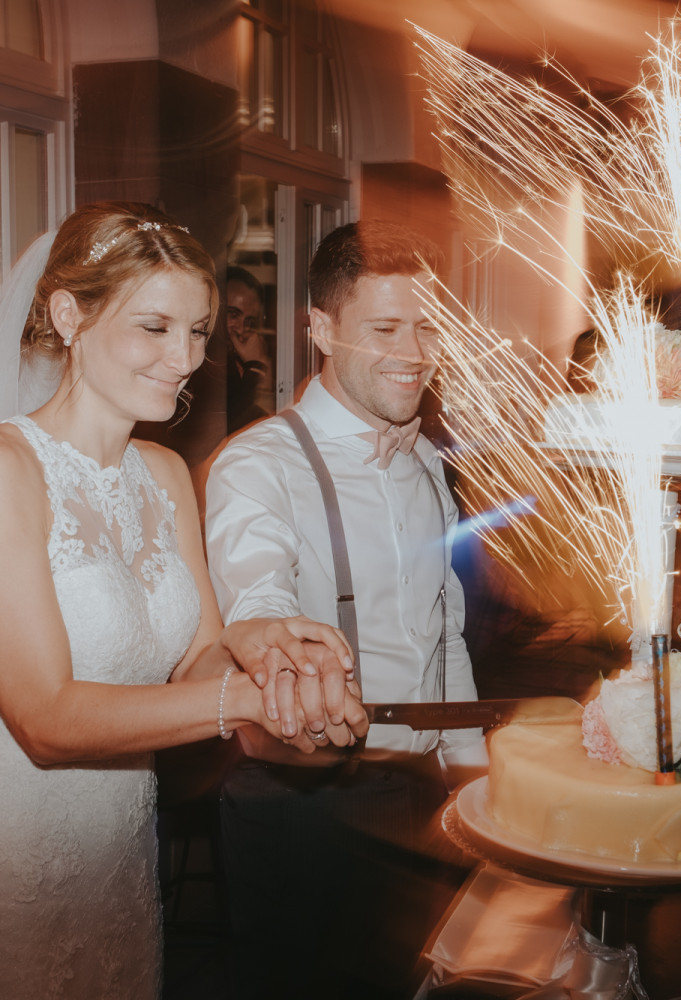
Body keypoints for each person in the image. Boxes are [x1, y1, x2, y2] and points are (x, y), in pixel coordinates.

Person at [0, 202, 367, 999]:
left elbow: (198, 660)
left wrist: (264, 656)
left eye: (197, 331)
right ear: (69, 316)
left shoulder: (164, 475)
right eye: (154, 327)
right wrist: (242, 702)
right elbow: (46, 719)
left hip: (120, 872)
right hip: (6, 881)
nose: (185, 357)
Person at [205, 220, 485, 998]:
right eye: (386, 329)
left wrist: (472, 779)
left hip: (423, 796)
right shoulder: (259, 465)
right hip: (309, 806)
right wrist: (276, 647)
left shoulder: (424, 458)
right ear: (322, 329)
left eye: (428, 327)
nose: (415, 352)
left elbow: (446, 632)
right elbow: (259, 601)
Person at [226, 265, 274, 431]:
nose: (241, 329)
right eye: (233, 314)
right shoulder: (198, 361)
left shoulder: (236, 360)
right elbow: (231, 425)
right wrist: (255, 367)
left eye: (249, 321)